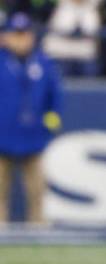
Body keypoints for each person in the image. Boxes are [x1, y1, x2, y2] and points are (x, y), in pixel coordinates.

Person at [0, 11, 62, 224]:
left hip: (33, 134)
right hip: (3, 134)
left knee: (37, 189)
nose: (21, 39)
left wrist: (52, 120)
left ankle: (38, 227)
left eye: (24, 34)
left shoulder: (43, 63)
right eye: (16, 34)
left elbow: (54, 96)